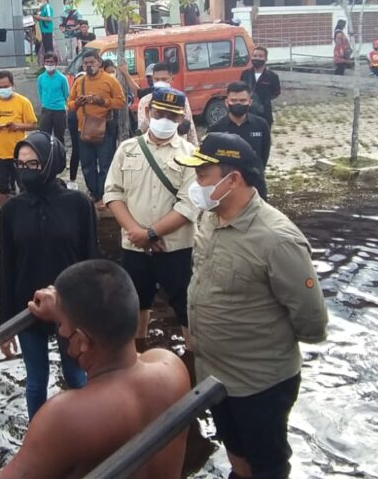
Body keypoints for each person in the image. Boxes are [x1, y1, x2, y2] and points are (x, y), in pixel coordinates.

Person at [174, 133, 329, 479]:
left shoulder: (276, 239)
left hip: (260, 384)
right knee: (236, 453)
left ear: (234, 179)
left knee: (267, 465)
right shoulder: (210, 217)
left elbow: (312, 319)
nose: (195, 184)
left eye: (202, 175)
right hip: (215, 375)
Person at [0, 260, 190, 479]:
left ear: (81, 341)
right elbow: (109, 318)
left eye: (61, 325)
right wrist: (68, 308)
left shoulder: (63, 418)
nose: (61, 331)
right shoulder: (171, 368)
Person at [0, 132, 96, 418]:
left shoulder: (78, 204)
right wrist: (5, 324)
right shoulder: (12, 210)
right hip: (27, 308)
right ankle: (39, 438)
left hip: (72, 307)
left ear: (51, 163)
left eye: (33, 165)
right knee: (36, 381)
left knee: (77, 377)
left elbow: (91, 259)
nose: (26, 171)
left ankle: (88, 431)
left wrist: (92, 314)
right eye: (21, 165)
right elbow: (6, 266)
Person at [104, 87, 197, 354]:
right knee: (136, 303)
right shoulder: (127, 149)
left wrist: (153, 233)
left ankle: (193, 365)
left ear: (181, 119)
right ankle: (137, 357)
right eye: (160, 113)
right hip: (135, 246)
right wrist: (137, 232)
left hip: (176, 247)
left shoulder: (191, 153)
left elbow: (189, 204)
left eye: (172, 115)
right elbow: (113, 193)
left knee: (185, 306)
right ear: (147, 112)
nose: (165, 119)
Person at [67, 49, 127, 209]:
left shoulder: (110, 80)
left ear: (99, 63)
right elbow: (69, 104)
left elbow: (121, 102)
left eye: (91, 62)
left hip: (104, 128)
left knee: (106, 164)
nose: (88, 65)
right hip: (83, 129)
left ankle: (105, 194)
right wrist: (78, 103)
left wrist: (102, 101)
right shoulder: (79, 82)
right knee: (87, 164)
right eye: (85, 63)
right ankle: (93, 193)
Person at [0, 70, 38, 205]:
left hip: (19, 152)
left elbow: (33, 124)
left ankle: (25, 212)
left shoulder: (23, 102)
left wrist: (17, 126)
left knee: (24, 185)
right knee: (1, 187)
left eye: (6, 87)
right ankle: (6, 213)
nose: (3, 90)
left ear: (13, 85)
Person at [207, 82, 270, 199]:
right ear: (226, 102)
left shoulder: (261, 125)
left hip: (255, 183)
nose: (238, 104)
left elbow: (264, 154)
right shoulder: (216, 129)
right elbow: (210, 159)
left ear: (250, 102)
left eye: (242, 100)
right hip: (227, 185)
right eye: (234, 100)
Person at [135, 62, 198, 146]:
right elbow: (142, 129)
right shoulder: (145, 101)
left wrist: (194, 148)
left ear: (172, 79)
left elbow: (190, 128)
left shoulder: (181, 100)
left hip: (177, 147)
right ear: (153, 79)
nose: (160, 82)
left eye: (164, 79)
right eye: (157, 79)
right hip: (153, 147)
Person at [239, 45, 281, 127]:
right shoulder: (245, 74)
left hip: (265, 113)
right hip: (247, 113)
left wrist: (264, 100)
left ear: (266, 59)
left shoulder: (272, 76)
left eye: (260, 56)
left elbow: (276, 92)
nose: (257, 58)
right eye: (254, 56)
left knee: (264, 138)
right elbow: (241, 90)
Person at [37, 52, 70, 144]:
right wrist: (44, 104)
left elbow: (66, 94)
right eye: (47, 62)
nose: (49, 64)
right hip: (46, 110)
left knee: (59, 136)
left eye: (51, 62)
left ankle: (59, 156)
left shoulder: (62, 78)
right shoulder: (41, 78)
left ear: (56, 63)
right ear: (43, 63)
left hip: (59, 110)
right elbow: (40, 92)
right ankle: (46, 156)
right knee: (43, 136)